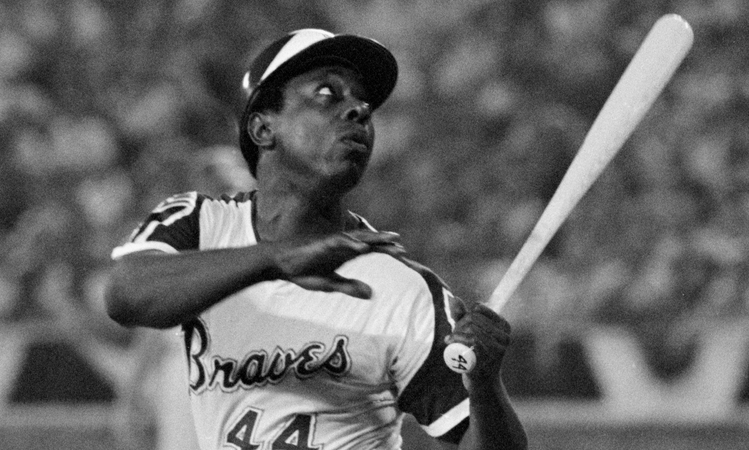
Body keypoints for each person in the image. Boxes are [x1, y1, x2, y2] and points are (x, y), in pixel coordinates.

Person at [105, 28, 528, 450]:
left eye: (363, 103)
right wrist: (276, 259)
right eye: (328, 94)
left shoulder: (401, 287)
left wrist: (485, 384)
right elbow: (125, 294)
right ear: (263, 128)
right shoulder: (201, 225)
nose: (358, 110)